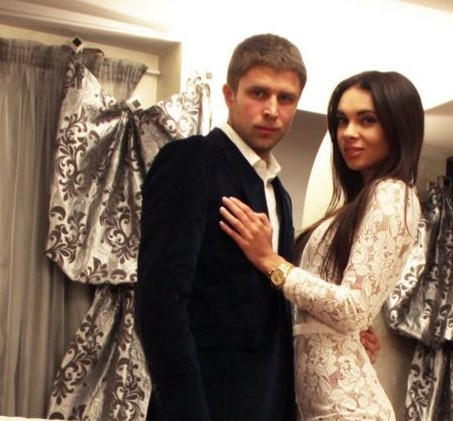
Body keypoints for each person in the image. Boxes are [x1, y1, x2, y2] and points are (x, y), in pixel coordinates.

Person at [135, 33, 380, 421]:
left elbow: (268, 311)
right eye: (259, 93)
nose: (272, 110)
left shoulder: (279, 193)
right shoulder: (190, 161)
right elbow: (159, 302)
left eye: (286, 98)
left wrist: (339, 339)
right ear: (230, 95)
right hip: (205, 405)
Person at [219, 70, 424, 420]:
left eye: (367, 120)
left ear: (398, 126)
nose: (349, 133)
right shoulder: (359, 202)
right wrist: (343, 330)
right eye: (342, 120)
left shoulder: (392, 193)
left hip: (347, 410)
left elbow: (352, 308)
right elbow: (348, 311)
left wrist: (270, 261)